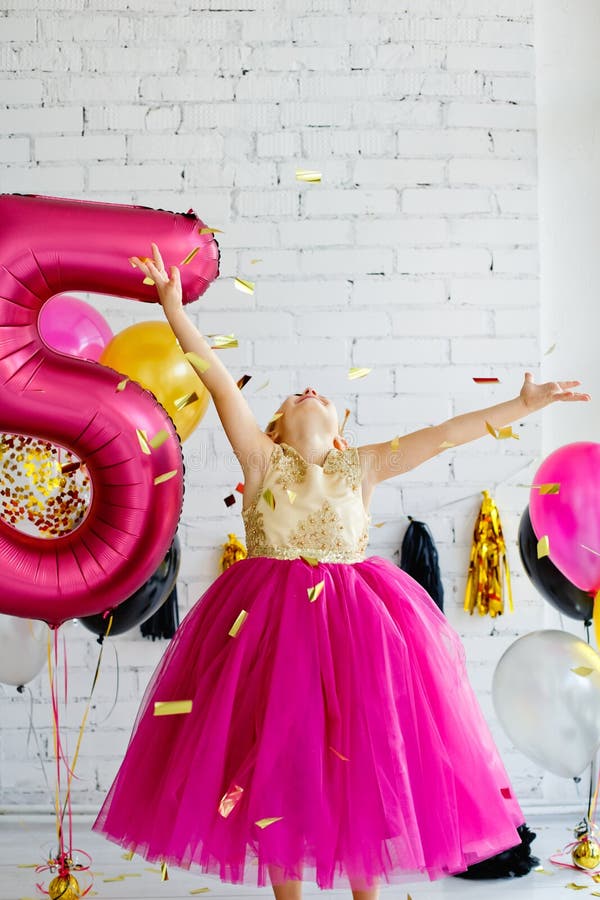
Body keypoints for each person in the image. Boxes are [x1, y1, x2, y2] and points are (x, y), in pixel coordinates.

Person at [92, 243, 590, 900]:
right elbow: (213, 375)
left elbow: (447, 434)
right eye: (296, 396)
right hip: (267, 630)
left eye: (320, 395)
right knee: (274, 764)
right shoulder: (263, 461)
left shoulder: (364, 467)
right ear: (276, 428)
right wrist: (174, 309)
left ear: (340, 431)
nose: (309, 392)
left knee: (361, 760)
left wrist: (521, 407)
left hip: (356, 630)